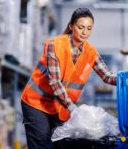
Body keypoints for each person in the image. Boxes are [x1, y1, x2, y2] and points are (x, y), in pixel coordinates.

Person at [21, 8, 116, 149]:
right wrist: (74, 109)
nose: (85, 32)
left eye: (89, 28)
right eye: (81, 27)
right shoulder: (55, 45)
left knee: (62, 144)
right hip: (37, 103)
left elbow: (107, 77)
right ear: (71, 26)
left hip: (60, 107)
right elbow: (54, 82)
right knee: (43, 144)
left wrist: (122, 79)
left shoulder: (91, 52)